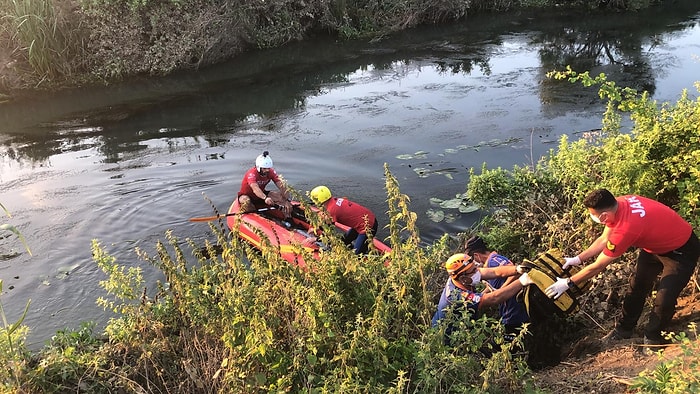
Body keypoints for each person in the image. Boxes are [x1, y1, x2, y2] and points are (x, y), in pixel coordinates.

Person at [544, 188, 700, 349]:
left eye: (594, 215)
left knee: (664, 298)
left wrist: (568, 283)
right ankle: (624, 330)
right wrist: (578, 258)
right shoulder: (619, 204)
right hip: (654, 248)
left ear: (604, 215)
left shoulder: (626, 228)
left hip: (682, 251)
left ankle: (653, 337)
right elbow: (604, 238)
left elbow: (598, 266)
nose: (593, 218)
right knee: (637, 286)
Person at [431, 253, 534, 340]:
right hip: (450, 336)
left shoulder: (459, 276)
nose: (478, 271)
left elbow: (494, 271)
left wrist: (517, 269)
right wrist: (522, 282)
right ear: (463, 278)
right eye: (474, 270)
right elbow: (494, 298)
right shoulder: (458, 296)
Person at [464, 236, 530, 338]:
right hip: (508, 311)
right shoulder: (490, 263)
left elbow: (516, 272)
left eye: (472, 260)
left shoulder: (494, 262)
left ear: (476, 255)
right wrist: (481, 296)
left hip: (513, 310)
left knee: (512, 343)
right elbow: (493, 286)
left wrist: (502, 289)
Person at [309, 185, 378, 254]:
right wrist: (316, 228)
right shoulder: (334, 201)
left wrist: (315, 239)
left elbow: (329, 233)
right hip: (365, 220)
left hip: (368, 227)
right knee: (344, 242)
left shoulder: (331, 211)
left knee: (356, 255)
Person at [233, 151, 293, 216]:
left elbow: (281, 186)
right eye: (264, 168)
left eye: (268, 168)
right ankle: (255, 216)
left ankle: (288, 214)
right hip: (247, 196)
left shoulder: (271, 172)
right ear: (259, 167)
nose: (267, 170)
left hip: (261, 195)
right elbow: (255, 188)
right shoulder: (251, 174)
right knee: (246, 201)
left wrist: (287, 200)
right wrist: (265, 198)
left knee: (280, 197)